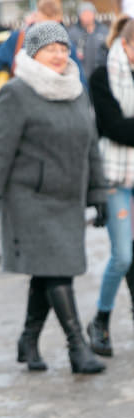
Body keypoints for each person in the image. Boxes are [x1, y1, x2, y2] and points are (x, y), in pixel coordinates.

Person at [0, 22, 107, 375]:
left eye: (64, 48)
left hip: (68, 199)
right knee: (57, 272)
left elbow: (90, 145)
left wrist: (99, 193)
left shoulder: (76, 89)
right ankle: (77, 346)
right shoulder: (16, 93)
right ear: (33, 53)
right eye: (52, 49)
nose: (60, 55)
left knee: (49, 272)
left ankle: (28, 340)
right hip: (28, 197)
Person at [85, 15, 134, 356]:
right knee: (122, 255)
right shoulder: (102, 76)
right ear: (127, 45)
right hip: (115, 178)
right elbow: (114, 127)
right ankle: (100, 320)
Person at [0, 0, 85, 103]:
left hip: (58, 107)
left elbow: (79, 83)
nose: (50, 33)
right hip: (20, 105)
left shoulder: (65, 45)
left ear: (59, 20)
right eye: (44, 24)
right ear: (36, 17)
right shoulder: (18, 39)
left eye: (54, 26)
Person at [69, 1, 109, 80]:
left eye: (89, 13)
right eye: (84, 13)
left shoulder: (104, 31)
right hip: (82, 75)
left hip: (101, 74)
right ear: (79, 15)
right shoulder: (73, 33)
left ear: (94, 14)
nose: (87, 16)